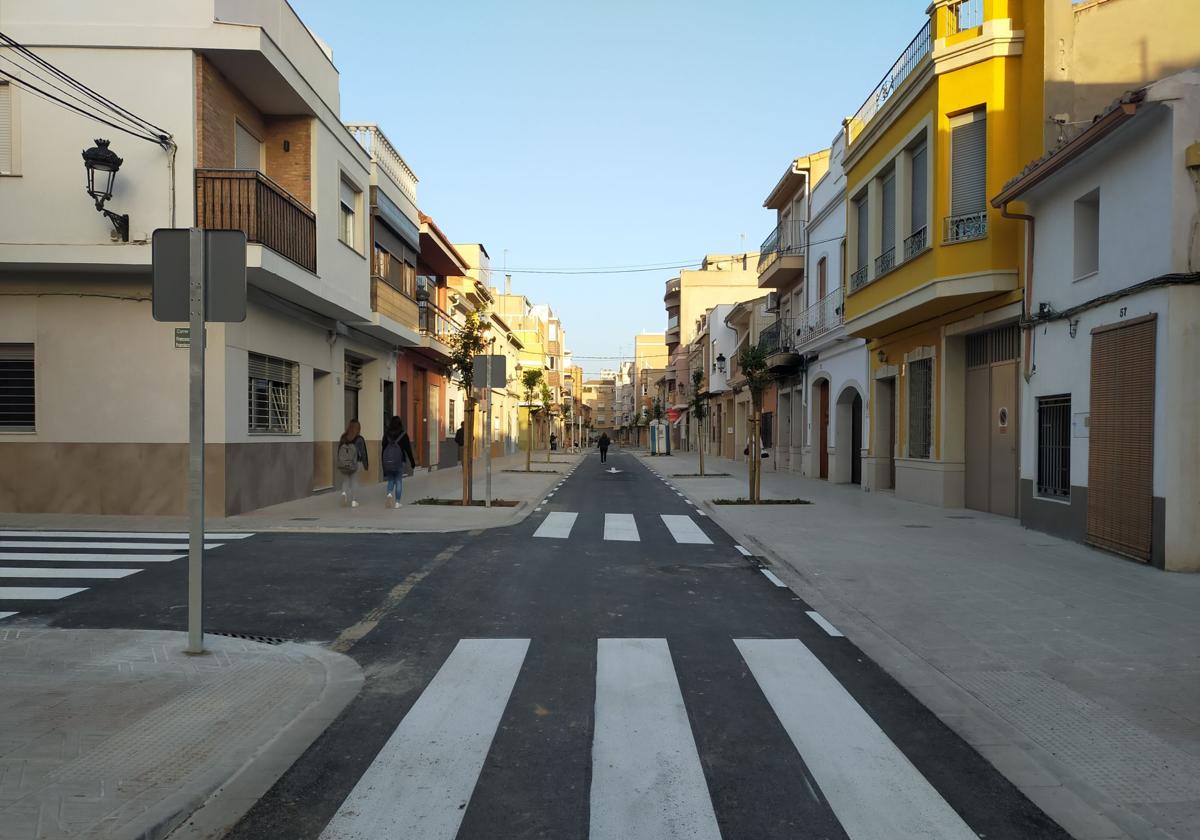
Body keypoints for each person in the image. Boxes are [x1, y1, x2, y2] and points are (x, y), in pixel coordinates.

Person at [381, 416, 417, 508]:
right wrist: (412, 462)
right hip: (399, 461)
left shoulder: (386, 435)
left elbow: (383, 450)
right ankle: (397, 502)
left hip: (388, 461)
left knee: (390, 480)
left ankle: (389, 494)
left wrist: (383, 464)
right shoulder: (404, 435)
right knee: (398, 481)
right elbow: (408, 450)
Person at [337, 419, 368, 508]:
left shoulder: (343, 437)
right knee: (354, 481)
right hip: (356, 463)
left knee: (345, 481)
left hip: (343, 463)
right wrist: (366, 465)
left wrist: (340, 461)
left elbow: (339, 451)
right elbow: (363, 452)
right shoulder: (359, 439)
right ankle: (354, 501)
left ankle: (343, 494)